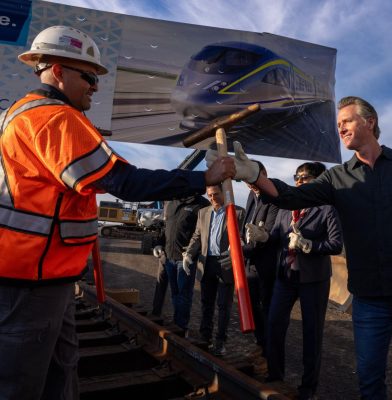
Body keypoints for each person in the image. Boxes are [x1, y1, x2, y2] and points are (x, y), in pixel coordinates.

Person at [0, 25, 235, 400]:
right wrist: (203, 177)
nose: (95, 86)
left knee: (60, 370)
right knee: (20, 384)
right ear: (58, 70)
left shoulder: (22, 114)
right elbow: (124, 182)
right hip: (31, 277)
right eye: (89, 77)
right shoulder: (56, 119)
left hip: (42, 273)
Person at [213, 96, 392, 399]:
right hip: (369, 298)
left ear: (370, 122)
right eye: (338, 124)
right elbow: (291, 197)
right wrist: (255, 177)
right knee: (369, 381)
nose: (340, 128)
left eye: (347, 121)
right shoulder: (337, 177)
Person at [247, 162, 342, 400]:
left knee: (312, 334)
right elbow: (277, 237)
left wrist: (310, 245)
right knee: (274, 325)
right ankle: (275, 375)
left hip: (313, 280)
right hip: (285, 276)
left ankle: (308, 388)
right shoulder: (285, 208)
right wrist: (263, 236)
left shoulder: (327, 208)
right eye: (296, 177)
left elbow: (336, 244)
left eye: (304, 177)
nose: (298, 181)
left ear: (319, 180)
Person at [183, 184, 245, 356]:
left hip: (226, 263)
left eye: (215, 194)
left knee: (224, 305)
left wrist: (237, 247)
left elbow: (242, 239)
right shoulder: (203, 213)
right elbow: (197, 236)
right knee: (206, 303)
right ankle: (205, 337)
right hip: (207, 262)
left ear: (224, 193)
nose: (212, 199)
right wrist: (188, 254)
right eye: (209, 196)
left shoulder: (238, 213)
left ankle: (220, 341)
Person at [151, 194, 209, 334]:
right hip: (169, 257)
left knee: (184, 295)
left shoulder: (202, 204)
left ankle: (181, 327)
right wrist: (158, 244)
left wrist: (192, 253)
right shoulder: (171, 201)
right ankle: (176, 322)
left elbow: (203, 233)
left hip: (185, 259)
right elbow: (166, 227)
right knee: (175, 293)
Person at [241, 160, 279, 357]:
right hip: (250, 263)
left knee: (266, 307)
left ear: (263, 172)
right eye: (246, 181)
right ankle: (260, 342)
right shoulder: (251, 195)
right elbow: (246, 221)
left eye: (252, 178)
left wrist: (246, 248)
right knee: (253, 305)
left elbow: (269, 232)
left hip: (265, 264)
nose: (250, 184)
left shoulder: (272, 195)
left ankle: (269, 349)